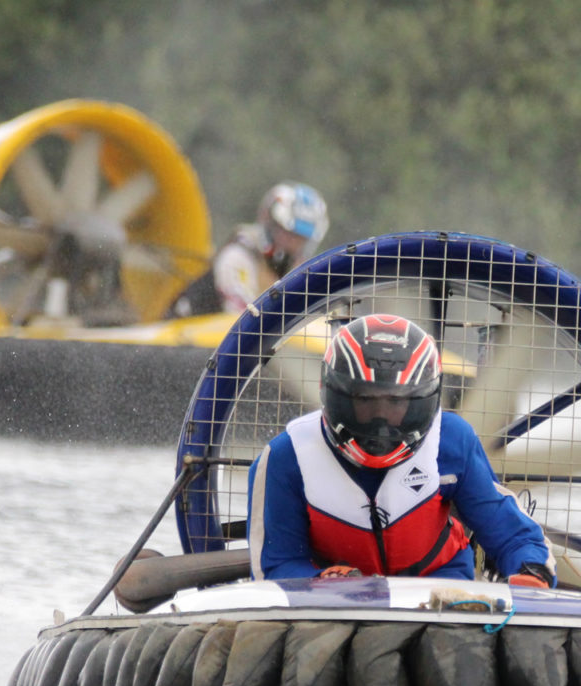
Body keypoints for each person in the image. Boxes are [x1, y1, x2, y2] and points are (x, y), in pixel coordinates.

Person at [247, 313, 557, 587]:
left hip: (442, 598)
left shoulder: (450, 440)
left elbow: (510, 532)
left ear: (424, 401)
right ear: (332, 394)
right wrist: (325, 583)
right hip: (336, 603)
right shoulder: (289, 456)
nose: (381, 420)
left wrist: (530, 569)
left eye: (396, 402)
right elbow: (275, 565)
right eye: (366, 401)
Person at [170, 182, 330, 316]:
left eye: (300, 239)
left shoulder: (293, 271)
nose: (293, 244)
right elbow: (242, 318)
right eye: (288, 234)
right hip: (186, 340)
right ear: (271, 224)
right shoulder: (238, 256)